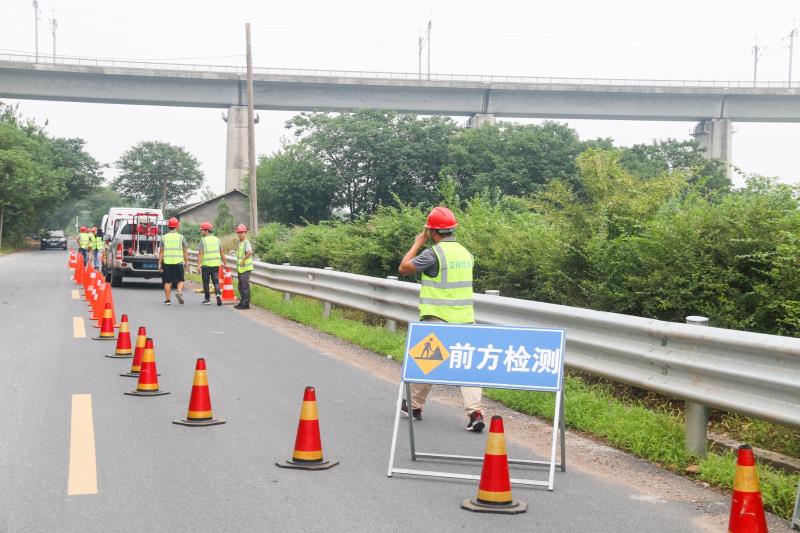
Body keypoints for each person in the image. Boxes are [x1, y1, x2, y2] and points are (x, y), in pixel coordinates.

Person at [398, 206, 485, 433]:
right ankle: (475, 413)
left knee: (427, 362)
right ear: (452, 229)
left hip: (438, 318)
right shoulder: (466, 254)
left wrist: (417, 243)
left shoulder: (433, 253)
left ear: (432, 231)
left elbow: (404, 267)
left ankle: (414, 406)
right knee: (468, 367)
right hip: (465, 320)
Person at [158, 217, 188, 305]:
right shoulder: (181, 237)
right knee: (181, 280)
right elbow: (185, 251)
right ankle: (179, 291)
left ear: (168, 226)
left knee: (167, 281)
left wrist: (159, 263)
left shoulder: (164, 237)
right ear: (177, 226)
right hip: (178, 262)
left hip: (167, 262)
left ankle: (168, 300)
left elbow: (161, 251)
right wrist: (186, 262)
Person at [197, 221, 224, 306]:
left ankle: (207, 299)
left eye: (202, 230)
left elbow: (200, 253)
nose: (201, 231)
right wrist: (225, 263)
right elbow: (222, 253)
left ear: (206, 230)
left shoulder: (203, 240)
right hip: (215, 264)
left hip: (206, 265)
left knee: (206, 282)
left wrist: (199, 264)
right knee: (216, 281)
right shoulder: (217, 240)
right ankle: (218, 294)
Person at [234, 224, 253, 310]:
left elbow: (249, 252)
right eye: (239, 232)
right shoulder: (240, 243)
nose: (240, 234)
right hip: (241, 268)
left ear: (245, 233)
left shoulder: (246, 242)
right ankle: (242, 302)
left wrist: (242, 261)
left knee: (245, 286)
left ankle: (245, 304)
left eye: (242, 232)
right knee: (240, 286)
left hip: (245, 268)